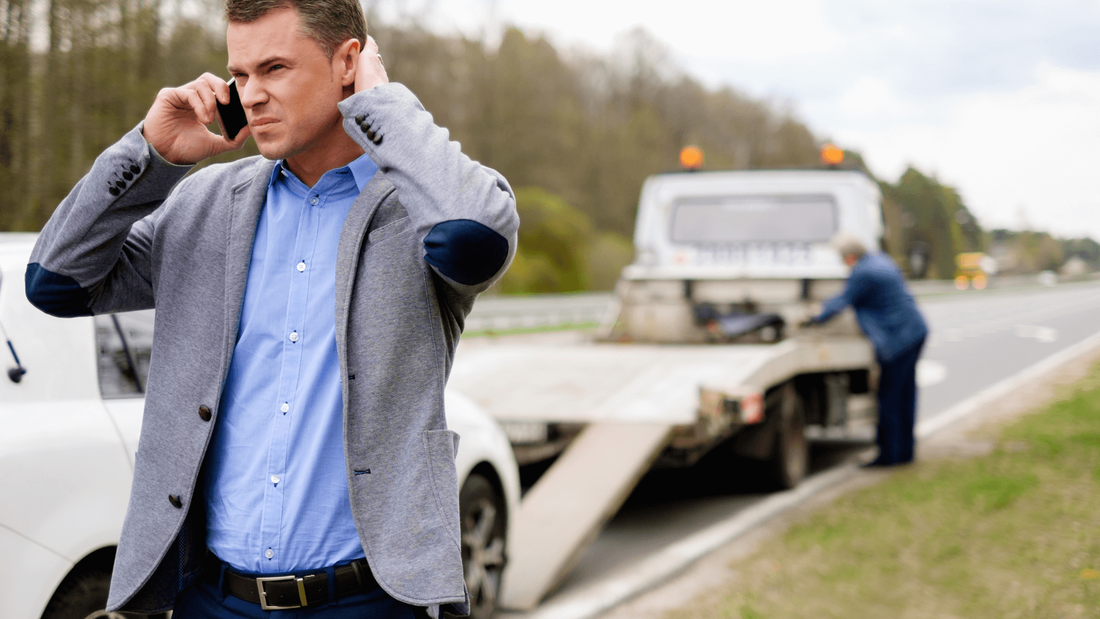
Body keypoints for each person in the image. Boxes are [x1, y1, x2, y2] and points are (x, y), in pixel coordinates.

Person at [25, 0, 518, 616]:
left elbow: (479, 238)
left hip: (374, 601)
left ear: (348, 62)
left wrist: (385, 107)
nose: (250, 95)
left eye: (275, 68)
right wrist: (150, 154)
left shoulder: (422, 208)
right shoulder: (202, 206)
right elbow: (54, 280)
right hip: (212, 598)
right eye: (241, 74)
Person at [804, 232, 928, 467]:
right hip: (914, 330)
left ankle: (888, 456)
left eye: (843, 258)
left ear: (850, 256)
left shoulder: (863, 272)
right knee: (905, 396)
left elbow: (843, 300)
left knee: (888, 397)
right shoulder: (880, 260)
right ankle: (905, 453)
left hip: (898, 338)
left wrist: (814, 317)